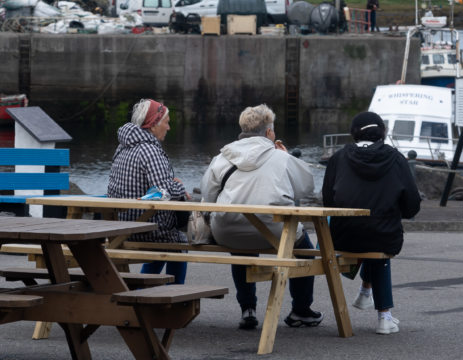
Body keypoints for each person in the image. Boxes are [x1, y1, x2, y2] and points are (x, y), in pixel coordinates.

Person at [200, 104, 323, 331]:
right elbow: (306, 189)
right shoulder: (280, 158)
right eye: (273, 130)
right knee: (303, 248)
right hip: (274, 231)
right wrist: (289, 160)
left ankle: (248, 309)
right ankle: (301, 310)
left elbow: (207, 194)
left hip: (227, 231)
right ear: (268, 132)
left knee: (241, 247)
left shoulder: (222, 157)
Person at [322, 111, 421, 335]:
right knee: (378, 236)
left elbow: (328, 199)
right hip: (383, 234)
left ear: (353, 133)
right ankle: (384, 316)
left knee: (370, 232)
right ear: (382, 133)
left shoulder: (338, 158)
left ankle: (366, 292)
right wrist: (395, 212)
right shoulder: (396, 158)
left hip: (343, 233)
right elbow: (412, 203)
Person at [107, 98, 189, 284]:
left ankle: (142, 289)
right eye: (166, 123)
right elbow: (166, 191)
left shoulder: (122, 147)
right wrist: (180, 186)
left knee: (162, 242)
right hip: (145, 227)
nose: (168, 128)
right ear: (153, 124)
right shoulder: (150, 151)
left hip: (120, 227)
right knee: (178, 242)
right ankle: (176, 297)